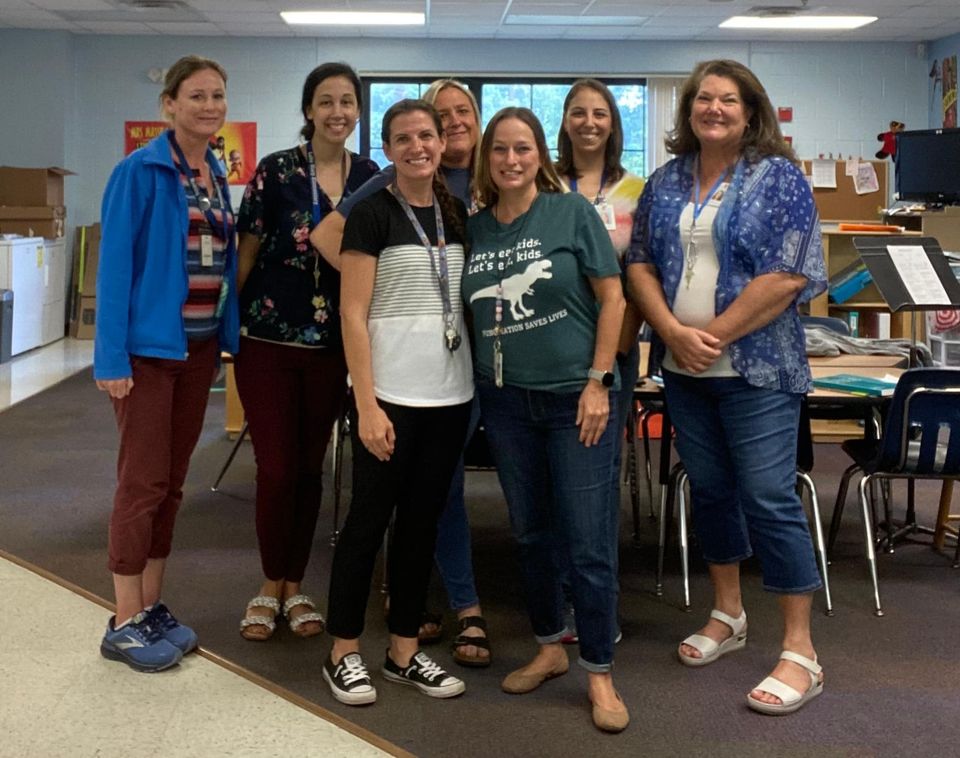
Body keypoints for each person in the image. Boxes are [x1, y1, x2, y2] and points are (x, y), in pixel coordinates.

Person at [625, 59, 827, 716]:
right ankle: (728, 614)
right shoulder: (665, 181)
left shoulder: (779, 179)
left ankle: (800, 650)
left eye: (728, 99)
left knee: (768, 496)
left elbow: (788, 274)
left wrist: (708, 332)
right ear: (688, 110)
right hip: (686, 373)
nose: (714, 108)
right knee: (710, 493)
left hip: (758, 370)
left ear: (750, 111)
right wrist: (669, 333)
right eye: (704, 98)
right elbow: (640, 266)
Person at [311, 79, 491, 667]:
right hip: (388, 395)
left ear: (443, 143)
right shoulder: (371, 214)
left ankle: (405, 650)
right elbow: (352, 314)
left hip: (450, 395)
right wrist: (365, 405)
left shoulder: (458, 214)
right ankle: (343, 650)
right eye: (403, 138)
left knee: (419, 525)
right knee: (367, 524)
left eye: (426, 135)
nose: (417, 146)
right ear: (387, 149)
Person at [462, 107, 628, 733]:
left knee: (587, 541)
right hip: (505, 402)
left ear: (540, 156)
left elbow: (611, 296)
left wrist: (598, 382)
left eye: (523, 148)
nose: (511, 160)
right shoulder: (473, 229)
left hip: (573, 400)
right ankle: (548, 647)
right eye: (500, 150)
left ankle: (601, 672)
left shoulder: (571, 213)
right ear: (487, 159)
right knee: (530, 534)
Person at [95, 55, 239, 672]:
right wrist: (110, 357)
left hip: (198, 349)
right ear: (170, 106)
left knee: (173, 484)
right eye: (197, 96)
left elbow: (223, 263)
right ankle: (124, 620)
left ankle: (151, 606)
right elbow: (115, 268)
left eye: (218, 96)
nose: (210, 106)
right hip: (149, 355)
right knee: (141, 483)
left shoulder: (213, 173)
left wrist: (226, 336)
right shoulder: (140, 171)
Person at [234, 63, 378, 642]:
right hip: (266, 342)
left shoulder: (370, 176)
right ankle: (269, 584)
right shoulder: (275, 172)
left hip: (333, 347)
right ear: (308, 109)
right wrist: (230, 329)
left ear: (357, 111)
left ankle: (296, 586)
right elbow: (245, 255)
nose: (337, 111)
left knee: (310, 468)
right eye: (326, 101)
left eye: (346, 101)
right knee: (275, 468)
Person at [555, 78, 645, 644]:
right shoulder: (543, 184)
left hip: (610, 355)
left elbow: (640, 276)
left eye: (600, 113)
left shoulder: (638, 189)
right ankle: (561, 599)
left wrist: (613, 351)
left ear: (613, 124)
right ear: (564, 122)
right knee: (553, 482)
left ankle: (597, 610)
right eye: (578, 113)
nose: (589, 122)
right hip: (551, 353)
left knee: (596, 485)